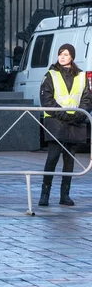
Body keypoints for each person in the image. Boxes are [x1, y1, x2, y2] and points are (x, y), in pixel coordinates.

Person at [38, 44, 92, 207]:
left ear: (72, 57)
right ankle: (45, 194)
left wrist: (78, 114)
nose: (62, 57)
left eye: (66, 54)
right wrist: (65, 115)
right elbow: (46, 100)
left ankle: (65, 195)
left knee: (69, 160)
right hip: (56, 122)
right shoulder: (50, 75)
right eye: (60, 53)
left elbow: (87, 99)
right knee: (52, 157)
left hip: (75, 123)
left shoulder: (82, 76)